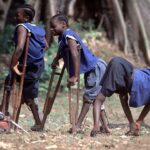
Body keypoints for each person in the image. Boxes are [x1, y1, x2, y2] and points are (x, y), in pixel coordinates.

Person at [50, 13, 110, 134]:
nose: (51, 29)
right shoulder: (62, 37)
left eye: (53, 26)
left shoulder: (69, 35)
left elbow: (75, 54)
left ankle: (77, 125)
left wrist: (75, 76)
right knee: (95, 97)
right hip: (92, 68)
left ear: (63, 25)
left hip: (95, 68)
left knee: (88, 97)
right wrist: (56, 59)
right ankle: (105, 127)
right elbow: (61, 50)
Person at [1, 4, 48, 131]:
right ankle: (4, 114)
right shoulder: (38, 29)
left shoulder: (21, 27)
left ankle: (4, 116)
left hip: (25, 65)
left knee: (22, 92)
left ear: (26, 17)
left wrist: (13, 63)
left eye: (18, 15)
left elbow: (20, 47)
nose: (15, 17)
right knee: (12, 83)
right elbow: (46, 46)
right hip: (37, 65)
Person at [91, 56, 150, 137]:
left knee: (105, 98)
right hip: (124, 71)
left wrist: (137, 122)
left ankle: (96, 126)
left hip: (122, 66)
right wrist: (139, 121)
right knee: (100, 98)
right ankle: (96, 126)